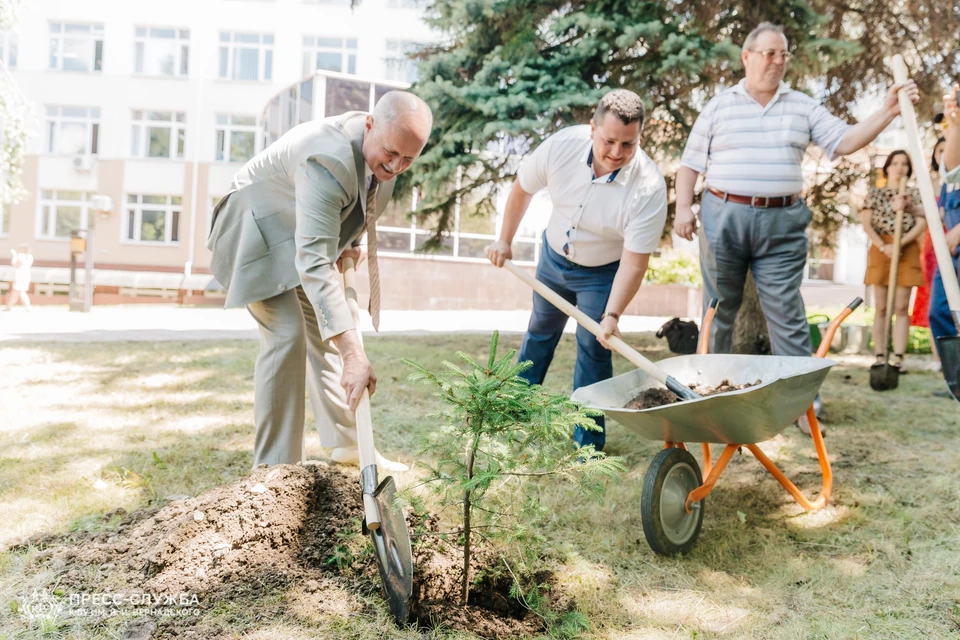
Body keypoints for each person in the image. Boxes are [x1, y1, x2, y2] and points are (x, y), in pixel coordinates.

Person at [673, 22, 919, 432]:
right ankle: (708, 398)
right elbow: (690, 164)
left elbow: (845, 140)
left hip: (782, 223)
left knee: (787, 314)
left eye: (784, 54)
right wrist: (683, 207)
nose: (777, 61)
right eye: (769, 53)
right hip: (723, 217)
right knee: (718, 309)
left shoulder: (802, 105)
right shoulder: (719, 106)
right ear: (746, 57)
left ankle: (803, 409)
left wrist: (889, 110)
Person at [207, 92, 432, 468]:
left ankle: (349, 443)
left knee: (329, 332)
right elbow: (313, 261)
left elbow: (356, 206)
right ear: (370, 125)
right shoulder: (326, 157)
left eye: (408, 159)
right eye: (392, 153)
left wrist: (351, 243)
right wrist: (354, 353)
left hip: (298, 235)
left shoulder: (383, 156)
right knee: (288, 333)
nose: (395, 166)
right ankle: (276, 469)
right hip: (255, 231)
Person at [486, 89, 668, 452]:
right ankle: (510, 418)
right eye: (609, 140)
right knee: (539, 332)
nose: (617, 153)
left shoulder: (648, 186)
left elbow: (635, 261)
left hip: (602, 273)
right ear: (592, 129)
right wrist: (504, 240)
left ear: (640, 138)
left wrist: (613, 314)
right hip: (553, 257)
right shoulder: (561, 147)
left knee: (593, 346)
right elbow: (522, 190)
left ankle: (588, 445)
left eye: (628, 145)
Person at [859, 150, 926, 373]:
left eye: (904, 164)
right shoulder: (875, 194)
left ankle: (898, 357)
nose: (899, 168)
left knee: (900, 306)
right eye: (895, 163)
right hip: (881, 248)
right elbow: (867, 224)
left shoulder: (914, 194)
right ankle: (879, 355)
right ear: (887, 167)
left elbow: (921, 223)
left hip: (905, 247)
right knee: (881, 306)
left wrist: (899, 244)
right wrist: (884, 245)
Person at [930, 85, 960, 363]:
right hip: (951, 251)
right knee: (939, 311)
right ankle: (955, 379)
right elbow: (950, 173)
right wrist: (955, 120)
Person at [910, 137, 945, 370]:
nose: (943, 154)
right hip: (933, 246)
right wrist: (912, 208)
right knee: (935, 301)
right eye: (939, 150)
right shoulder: (929, 182)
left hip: (953, 239)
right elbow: (928, 213)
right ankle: (939, 359)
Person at [5, 244, 33, 311]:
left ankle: (28, 307)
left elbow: (14, 264)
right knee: (16, 292)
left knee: (19, 292)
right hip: (26, 276)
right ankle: (9, 307)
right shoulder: (30, 257)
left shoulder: (21, 256)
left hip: (20, 277)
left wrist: (14, 255)